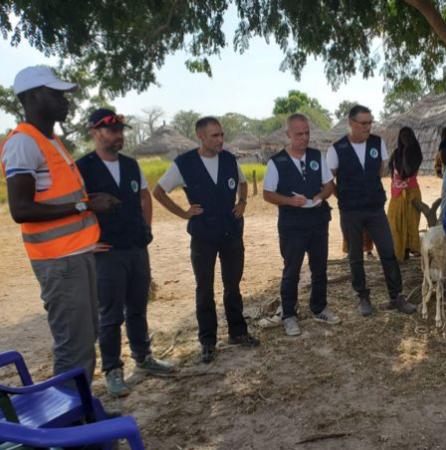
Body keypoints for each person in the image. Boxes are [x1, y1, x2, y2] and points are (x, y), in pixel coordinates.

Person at [0, 66, 120, 382]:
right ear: (32, 97)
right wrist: (85, 204)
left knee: (87, 334)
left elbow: (58, 197)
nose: (66, 101)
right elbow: (21, 209)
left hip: (76, 254)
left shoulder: (50, 140)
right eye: (56, 95)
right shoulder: (23, 143)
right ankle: (72, 423)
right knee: (74, 345)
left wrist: (87, 200)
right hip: (58, 261)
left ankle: (82, 414)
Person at [76, 109, 174, 397]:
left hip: (136, 247)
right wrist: (86, 242)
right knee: (110, 314)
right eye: (113, 130)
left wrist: (147, 228)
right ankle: (112, 369)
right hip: (106, 251)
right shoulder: (82, 168)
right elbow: (73, 207)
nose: (119, 135)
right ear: (95, 132)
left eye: (121, 130)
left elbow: (145, 195)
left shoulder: (131, 165)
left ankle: (144, 357)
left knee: (138, 306)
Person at [153, 117, 259, 363]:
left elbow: (243, 183)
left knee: (233, 285)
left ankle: (238, 332)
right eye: (214, 136)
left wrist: (242, 202)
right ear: (200, 136)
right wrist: (183, 213)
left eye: (222, 134)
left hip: (231, 232)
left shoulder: (230, 159)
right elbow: (158, 192)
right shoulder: (184, 164)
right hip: (203, 235)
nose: (220, 139)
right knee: (205, 289)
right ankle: (208, 342)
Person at [326, 105, 416, 316]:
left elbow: (380, 169)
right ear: (351, 123)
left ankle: (397, 297)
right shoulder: (336, 149)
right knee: (355, 256)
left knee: (387, 251)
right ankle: (363, 298)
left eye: (370, 122)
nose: (368, 127)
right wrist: (345, 198)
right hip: (351, 212)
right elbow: (329, 179)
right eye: (363, 123)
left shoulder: (377, 143)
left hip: (375, 209)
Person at [262, 114, 340, 337]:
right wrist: (289, 201)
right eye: (299, 134)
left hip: (317, 221)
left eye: (307, 133)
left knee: (319, 268)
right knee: (291, 271)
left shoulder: (318, 156)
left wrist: (320, 196)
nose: (304, 138)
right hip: (292, 225)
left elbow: (328, 185)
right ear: (288, 135)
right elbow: (268, 194)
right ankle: (289, 315)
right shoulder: (277, 162)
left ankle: (319, 307)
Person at [387, 127, 423, 262]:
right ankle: (398, 252)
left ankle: (406, 252)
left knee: (410, 223)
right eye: (403, 136)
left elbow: (407, 171)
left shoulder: (416, 154)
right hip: (397, 194)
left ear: (412, 137)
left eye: (408, 136)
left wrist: (406, 152)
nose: (405, 138)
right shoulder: (396, 153)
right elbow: (393, 172)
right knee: (394, 221)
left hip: (411, 193)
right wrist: (396, 186)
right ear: (399, 138)